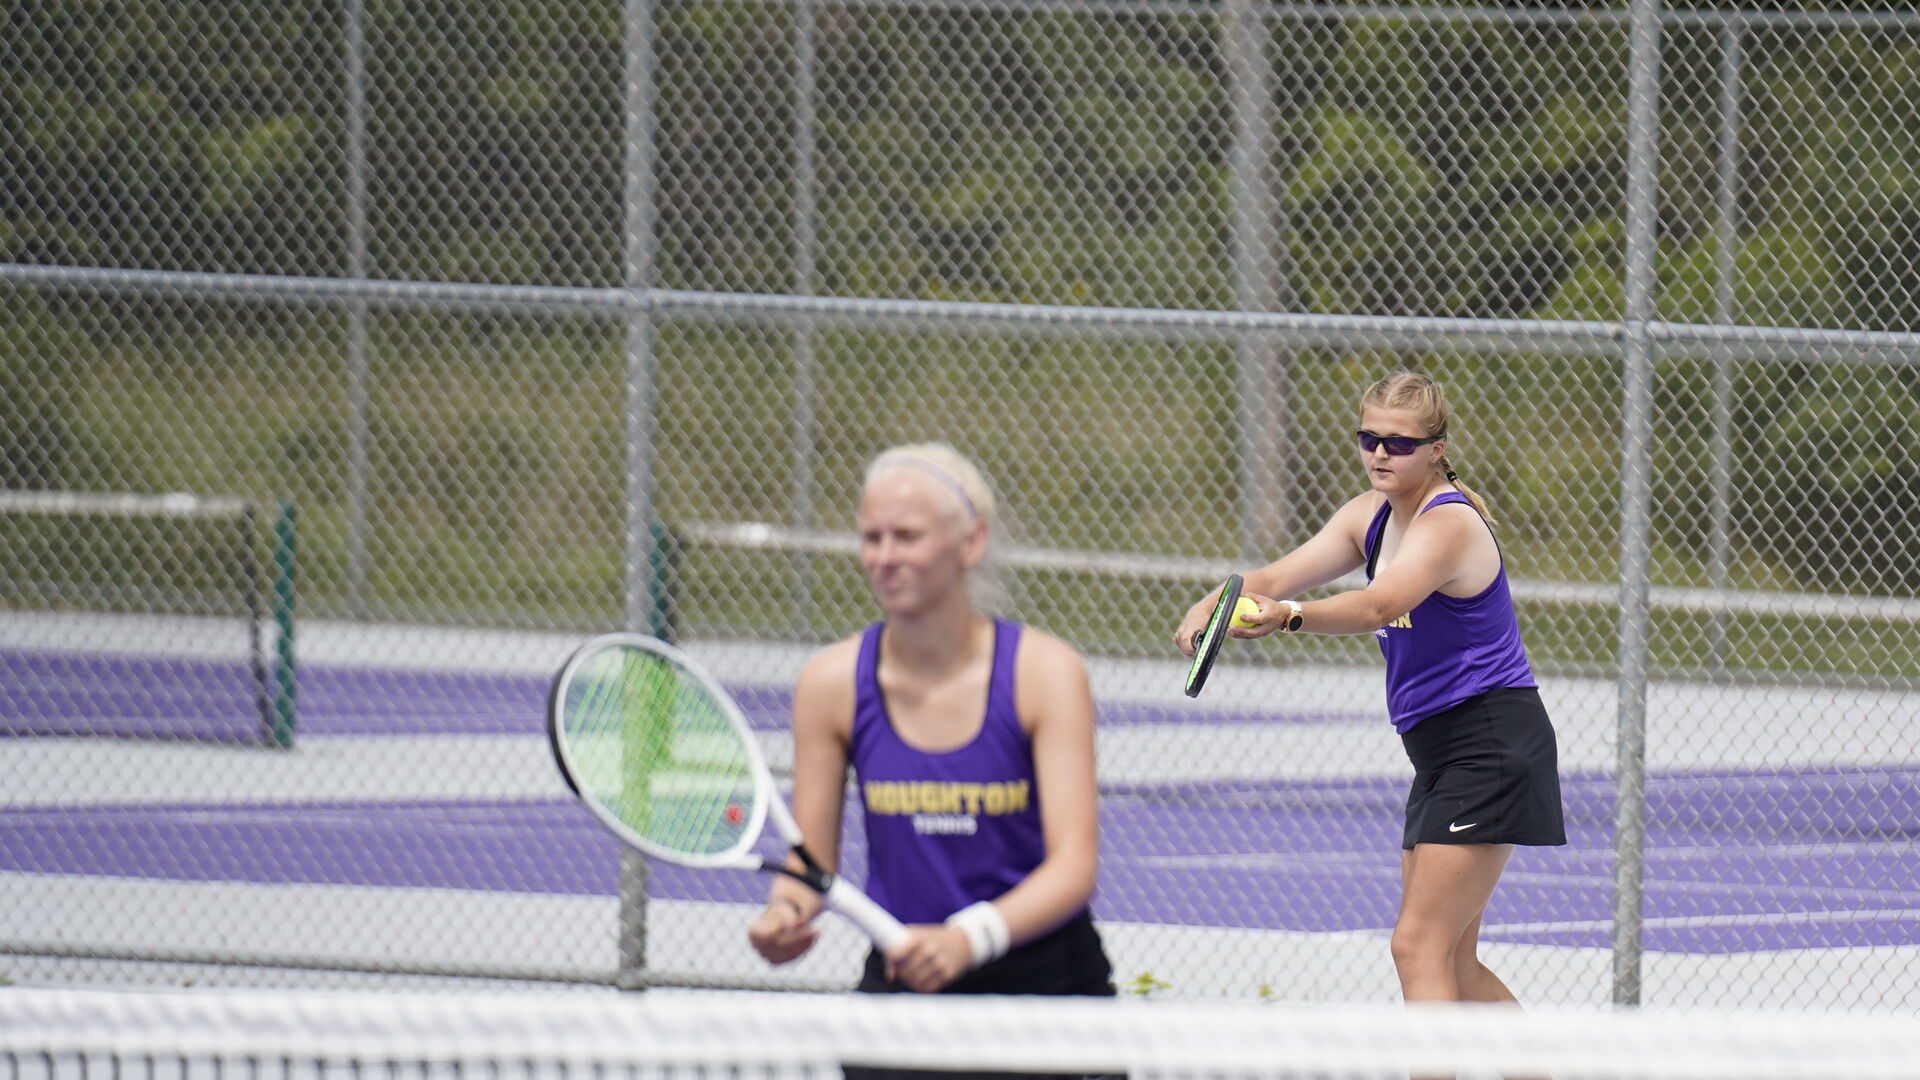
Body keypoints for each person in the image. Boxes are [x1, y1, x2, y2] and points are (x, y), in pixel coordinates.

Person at [1175, 371, 1565, 1006]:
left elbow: (1379, 604)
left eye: (1400, 443)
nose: (1381, 453)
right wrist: (1210, 603)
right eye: (1370, 438)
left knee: (1417, 948)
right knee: (1452, 965)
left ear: (1436, 449)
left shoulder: (1450, 526)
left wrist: (1290, 615)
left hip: (1490, 743)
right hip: (1440, 751)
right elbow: (1271, 574)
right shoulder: (1368, 516)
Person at [750, 442, 1115, 1012]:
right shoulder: (830, 684)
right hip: (903, 992)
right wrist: (784, 914)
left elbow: (1073, 867)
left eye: (908, 537)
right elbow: (808, 865)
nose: (884, 556)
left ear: (972, 541)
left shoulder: (1045, 673)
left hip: (1048, 996)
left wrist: (968, 940)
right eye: (872, 537)